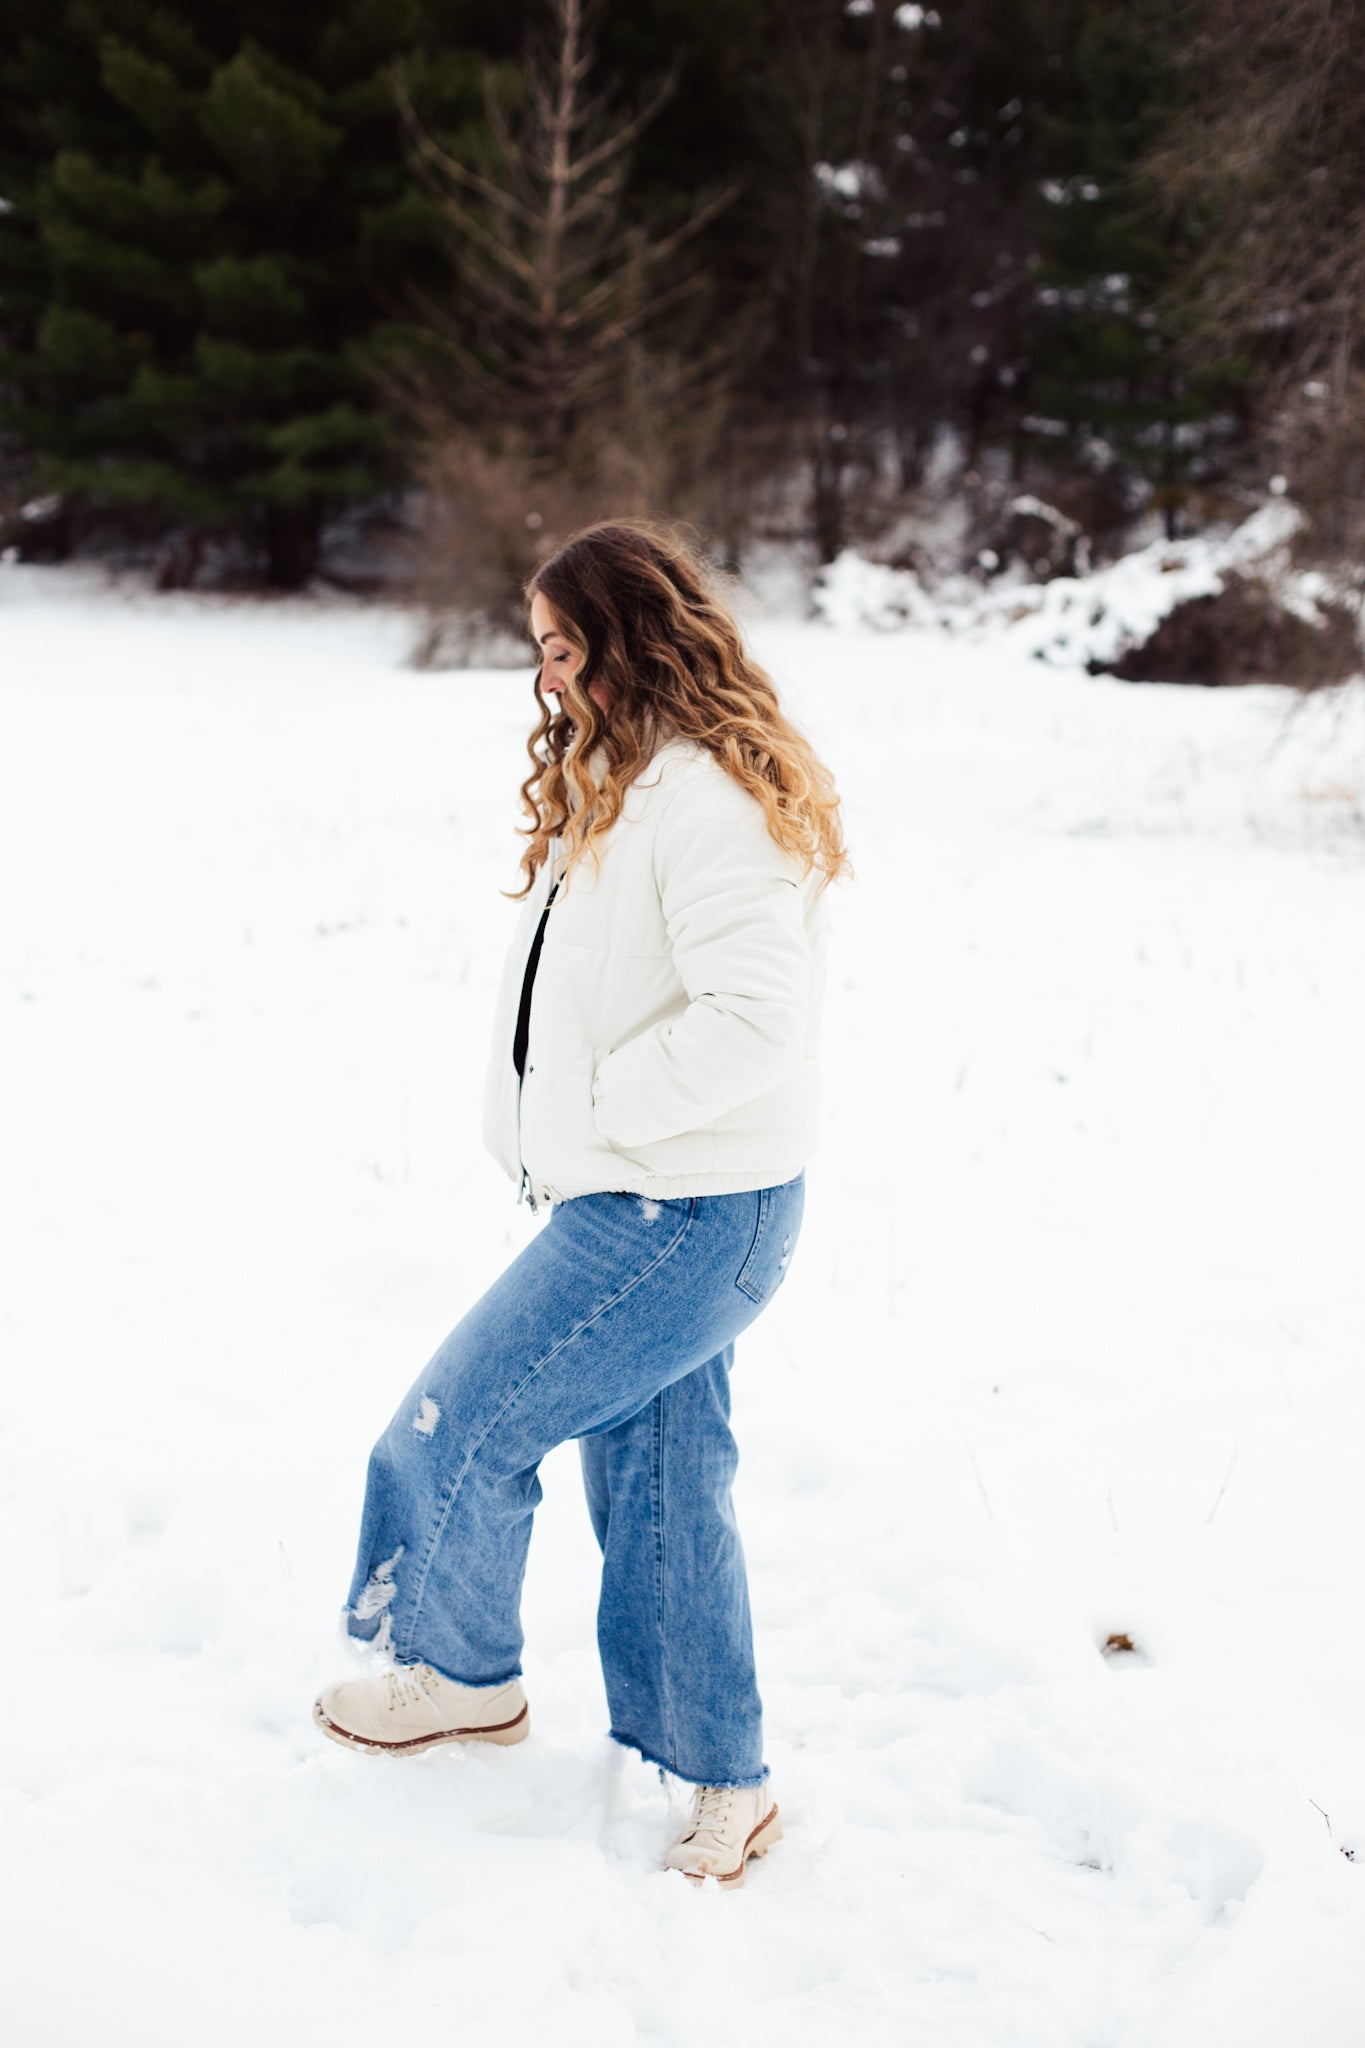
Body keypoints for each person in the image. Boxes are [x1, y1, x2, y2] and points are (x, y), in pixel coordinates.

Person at [313, 519, 849, 1887]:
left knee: (451, 1432)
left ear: (629, 639)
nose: (545, 680)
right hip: (665, 1199)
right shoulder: (635, 776)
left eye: (562, 648)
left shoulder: (707, 798)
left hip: (676, 1211)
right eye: (538, 652)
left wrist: (600, 1113)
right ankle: (724, 1778)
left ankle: (458, 1673)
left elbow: (753, 1021)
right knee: (665, 1491)